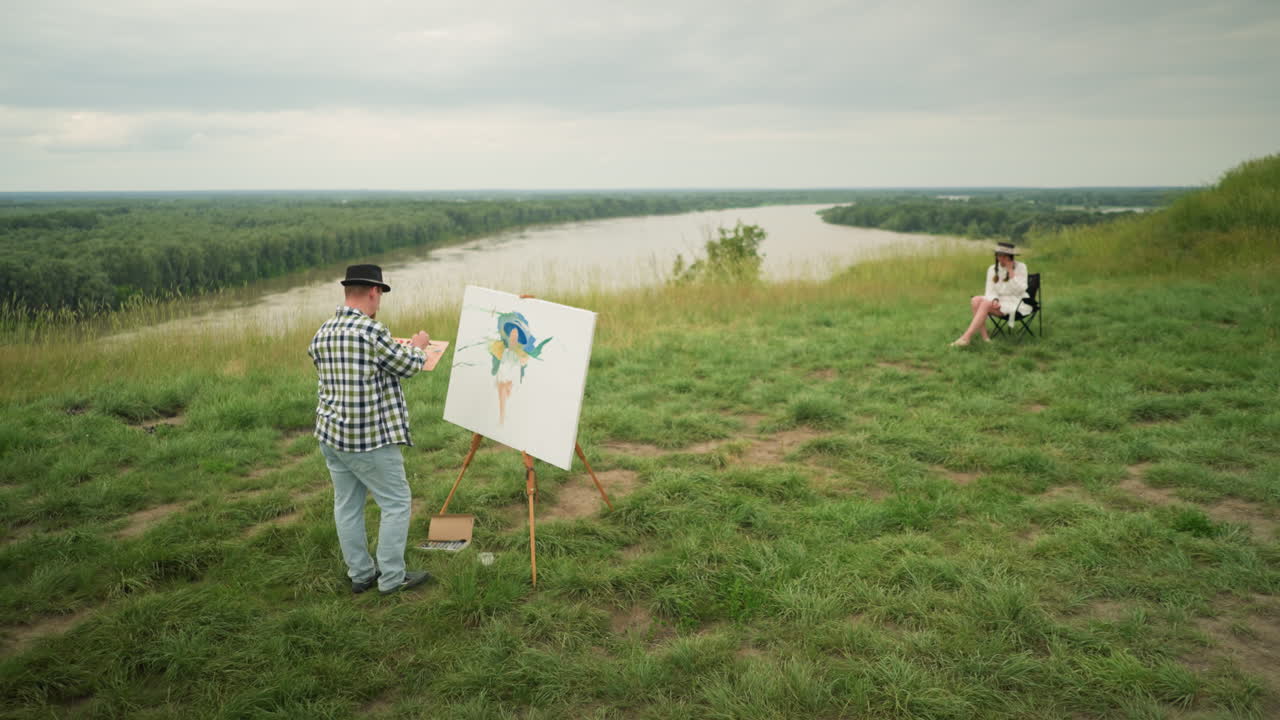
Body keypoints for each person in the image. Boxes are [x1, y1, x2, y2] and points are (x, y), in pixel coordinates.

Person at [308, 264, 434, 595]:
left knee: (347, 504)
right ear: (374, 292)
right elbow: (407, 366)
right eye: (380, 295)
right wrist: (419, 345)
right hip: (367, 439)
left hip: (331, 434)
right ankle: (392, 578)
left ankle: (361, 574)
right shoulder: (371, 332)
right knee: (396, 502)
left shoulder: (323, 331)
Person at [951, 242, 1030, 347]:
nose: (1000, 258)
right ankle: (985, 338)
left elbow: (1021, 290)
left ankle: (966, 338)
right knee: (975, 300)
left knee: (985, 304)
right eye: (998, 255)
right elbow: (989, 291)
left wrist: (1011, 272)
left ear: (1010, 257)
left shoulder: (1021, 267)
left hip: (1016, 302)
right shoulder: (992, 269)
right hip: (999, 301)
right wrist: (995, 300)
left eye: (1003, 256)